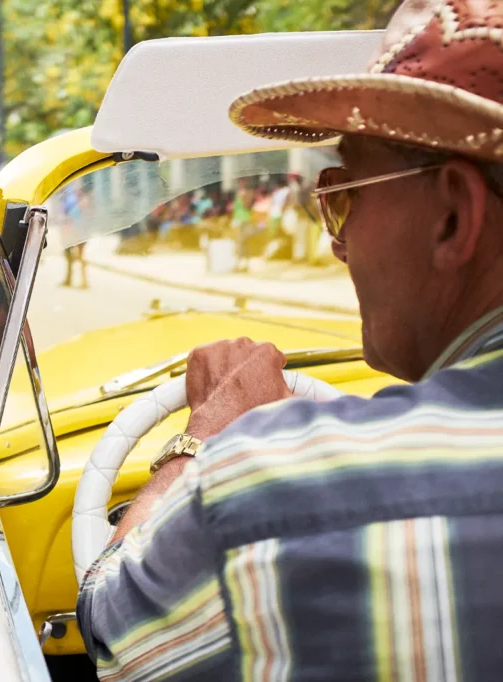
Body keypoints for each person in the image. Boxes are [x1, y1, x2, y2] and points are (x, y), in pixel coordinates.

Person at [78, 2, 503, 679]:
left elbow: (111, 623)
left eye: (344, 195)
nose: (337, 245)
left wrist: (201, 447)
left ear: (453, 215)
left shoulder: (277, 489)